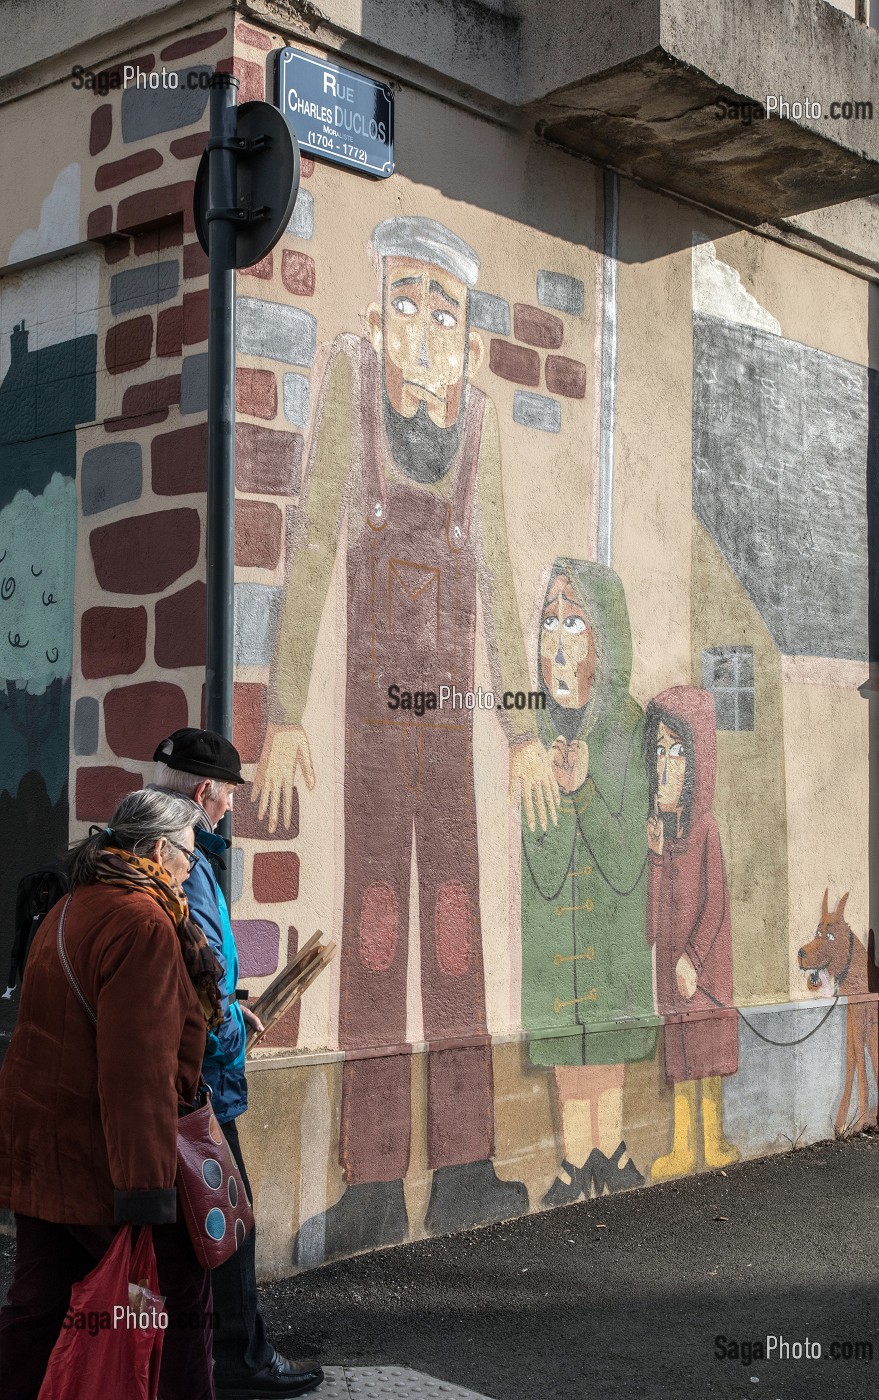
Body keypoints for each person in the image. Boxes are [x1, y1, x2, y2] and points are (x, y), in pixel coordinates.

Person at [254, 216, 558, 1257]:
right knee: (377, 927)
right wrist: (284, 710)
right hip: (375, 725)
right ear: (378, 312)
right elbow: (308, 544)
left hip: (457, 723)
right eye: (408, 298)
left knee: (460, 925)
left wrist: (521, 731)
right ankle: (378, 1180)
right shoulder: (353, 390)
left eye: (446, 306)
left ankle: (468, 1164)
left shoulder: (478, 423)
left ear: (469, 336)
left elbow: (506, 577)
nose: (424, 324)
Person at [0, 789, 221, 1400]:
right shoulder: (144, 922)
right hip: (105, 1160)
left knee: (39, 1306)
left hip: (44, 1150)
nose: (191, 870)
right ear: (156, 849)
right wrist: (147, 1197)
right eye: (189, 857)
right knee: (176, 1302)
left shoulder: (73, 905)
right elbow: (138, 1072)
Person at [151, 727, 322, 1398]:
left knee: (190, 1231)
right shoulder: (184, 862)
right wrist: (225, 1032)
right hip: (198, 1088)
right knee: (228, 1223)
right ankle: (239, 1362)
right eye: (226, 797)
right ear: (205, 793)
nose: (227, 809)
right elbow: (193, 972)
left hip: (177, 1076)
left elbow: (200, 976)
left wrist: (231, 1006)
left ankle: (197, 1358)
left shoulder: (149, 849)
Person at [521, 560, 658, 1206]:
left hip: (613, 932)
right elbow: (541, 865)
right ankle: (578, 1159)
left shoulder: (629, 729)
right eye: (548, 620)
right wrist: (551, 794)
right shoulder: (535, 734)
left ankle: (610, 1148)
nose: (556, 638)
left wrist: (583, 791)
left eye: (573, 621)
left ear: (606, 638)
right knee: (566, 1043)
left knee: (604, 1038)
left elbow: (630, 855)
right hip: (554, 935)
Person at [644, 686, 740, 1181]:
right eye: (659, 751)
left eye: (677, 751)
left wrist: (695, 960)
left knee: (710, 1051)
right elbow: (650, 926)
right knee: (680, 1055)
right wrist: (657, 854)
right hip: (672, 976)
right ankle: (684, 1145)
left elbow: (717, 905)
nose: (666, 764)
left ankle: (715, 1136)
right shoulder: (661, 831)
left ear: (698, 759)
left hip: (704, 972)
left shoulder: (707, 831)